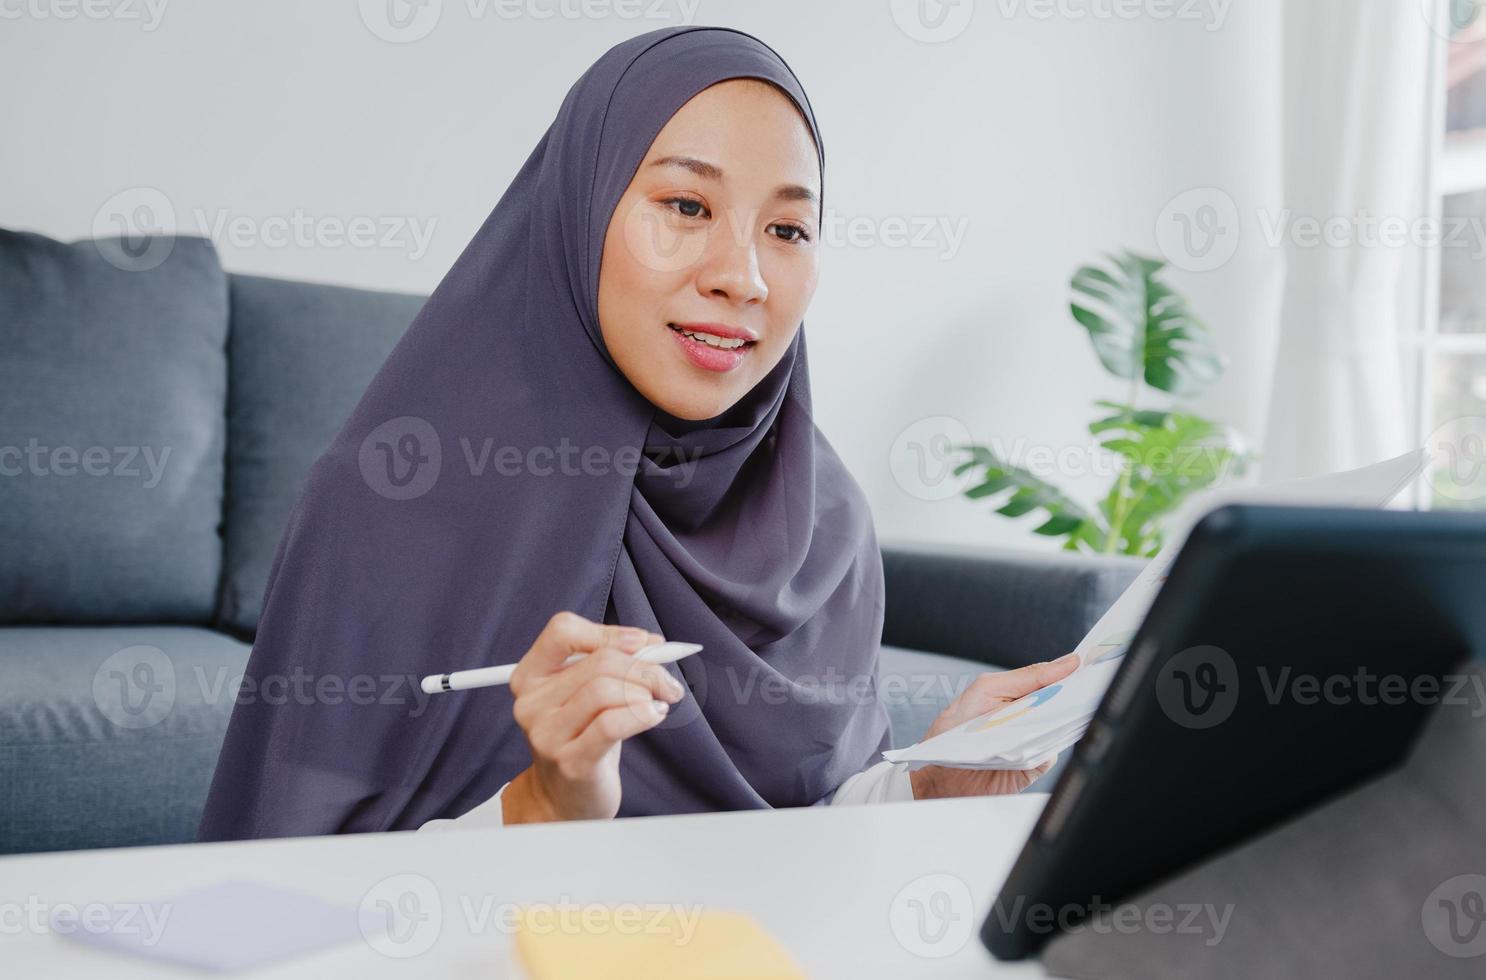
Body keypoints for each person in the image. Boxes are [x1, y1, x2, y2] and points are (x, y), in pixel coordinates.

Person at [198, 26, 1077, 840]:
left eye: (787, 229)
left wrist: (922, 788)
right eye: (687, 206)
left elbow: (802, 834)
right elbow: (297, 889)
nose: (742, 277)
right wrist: (541, 809)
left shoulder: (827, 520)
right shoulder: (393, 494)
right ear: (580, 213)